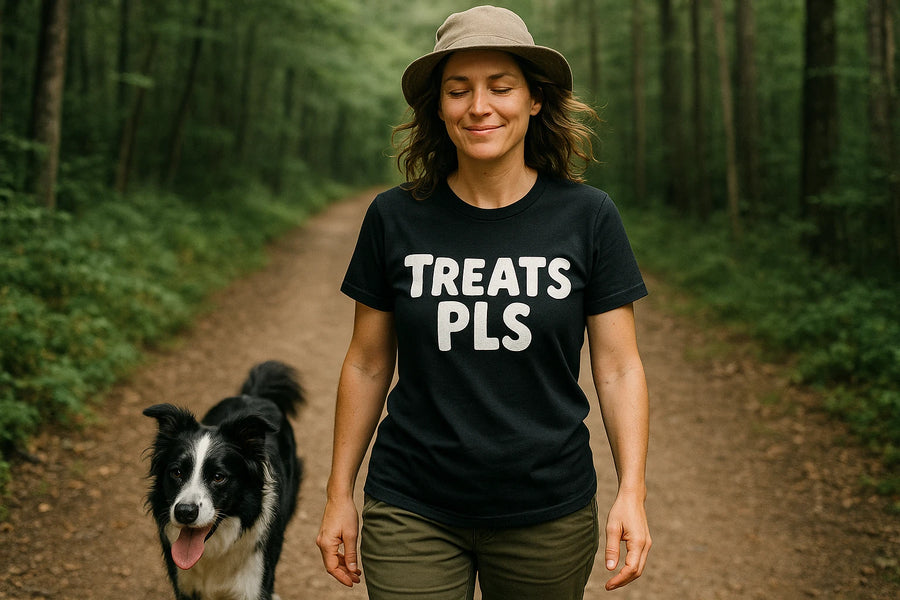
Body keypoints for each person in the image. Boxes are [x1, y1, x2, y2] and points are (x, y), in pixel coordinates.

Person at [316, 5, 651, 599]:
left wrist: (632, 491)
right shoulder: (395, 217)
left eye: (501, 87)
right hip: (412, 503)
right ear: (438, 107)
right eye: (458, 90)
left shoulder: (588, 216)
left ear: (534, 100)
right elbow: (367, 362)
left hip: (548, 509)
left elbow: (620, 365)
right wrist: (338, 493)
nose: (479, 107)